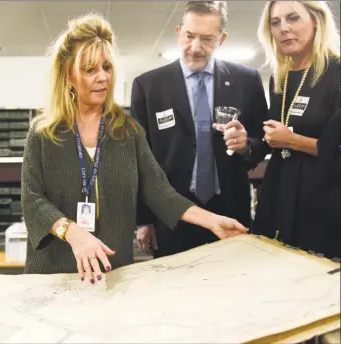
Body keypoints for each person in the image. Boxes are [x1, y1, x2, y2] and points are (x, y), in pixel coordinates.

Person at [21, 13, 248, 283]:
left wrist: (211, 220)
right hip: (53, 273)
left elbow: (161, 193)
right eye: (90, 69)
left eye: (107, 67)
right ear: (68, 76)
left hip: (110, 271)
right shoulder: (43, 133)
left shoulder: (127, 132)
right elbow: (32, 200)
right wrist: (74, 233)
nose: (102, 77)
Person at [131, 1, 268, 258]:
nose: (195, 47)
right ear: (178, 32)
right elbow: (139, 162)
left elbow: (263, 142)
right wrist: (144, 220)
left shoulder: (246, 81)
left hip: (230, 213)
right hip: (172, 216)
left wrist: (247, 145)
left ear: (222, 39)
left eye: (207, 39)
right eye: (190, 36)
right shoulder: (148, 87)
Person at [253, 1, 340, 259]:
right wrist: (250, 140)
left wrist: (292, 140)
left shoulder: (336, 71)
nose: (284, 29)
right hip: (280, 197)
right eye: (275, 22)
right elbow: (273, 138)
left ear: (317, 21)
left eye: (293, 18)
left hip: (325, 204)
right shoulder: (280, 76)